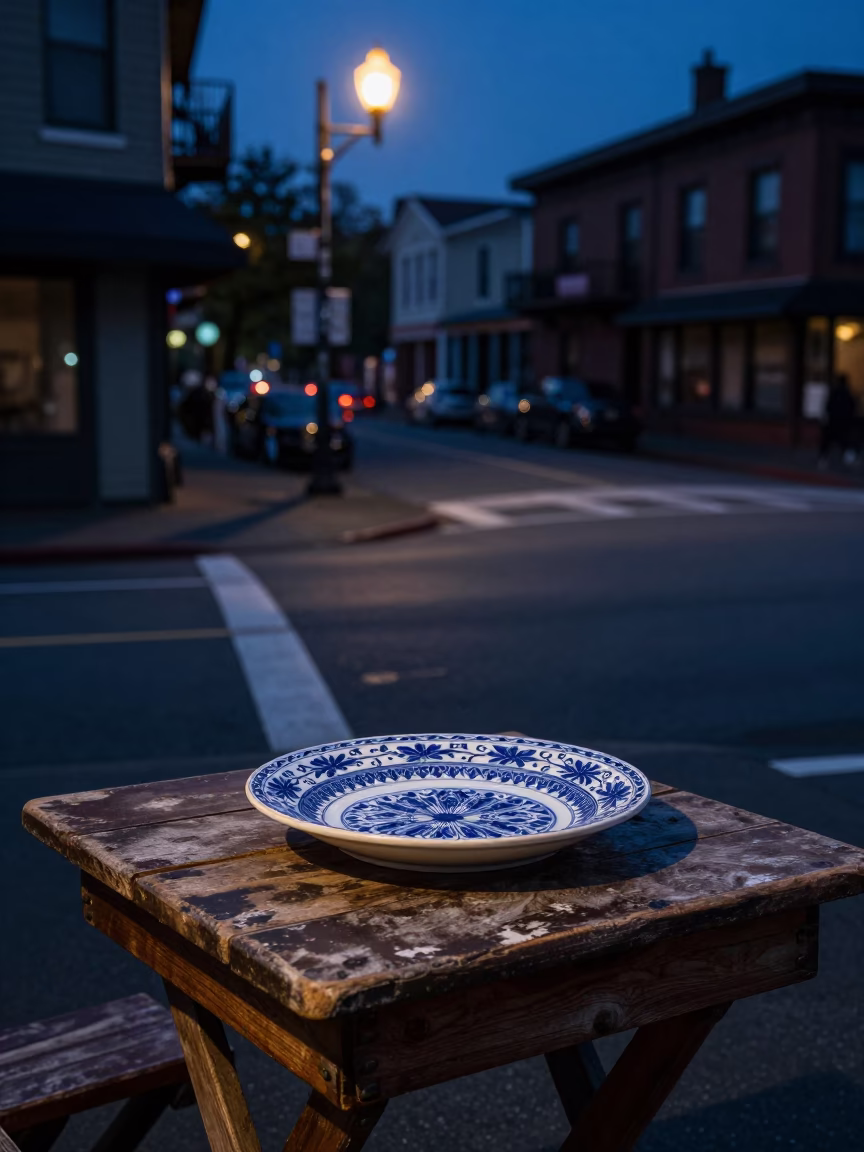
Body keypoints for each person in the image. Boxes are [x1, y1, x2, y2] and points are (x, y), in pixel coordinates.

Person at [818, 374, 856, 467]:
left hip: (833, 421)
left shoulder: (834, 392)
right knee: (844, 441)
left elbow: (828, 406)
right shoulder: (847, 394)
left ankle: (823, 459)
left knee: (828, 441)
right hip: (843, 422)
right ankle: (847, 460)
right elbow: (852, 408)